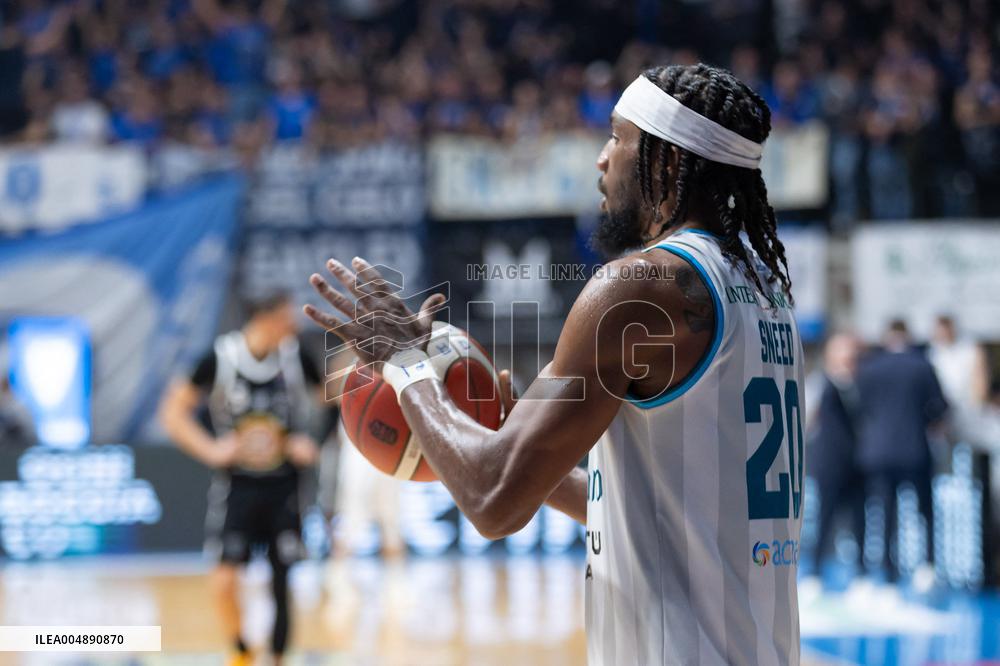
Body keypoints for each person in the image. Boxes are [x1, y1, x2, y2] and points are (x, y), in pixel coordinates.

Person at [305, 63, 805, 665]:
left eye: (617, 138)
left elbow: (492, 501)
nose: (600, 159)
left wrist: (408, 365)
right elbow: (649, 512)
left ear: (667, 164)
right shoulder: (765, 289)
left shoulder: (638, 289)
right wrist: (527, 451)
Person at [159, 292, 321, 666]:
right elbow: (172, 413)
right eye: (287, 317)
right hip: (238, 486)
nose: (294, 325)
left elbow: (333, 402)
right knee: (222, 580)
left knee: (282, 580)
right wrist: (211, 450)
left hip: (285, 486)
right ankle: (242, 649)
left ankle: (278, 657)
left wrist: (311, 441)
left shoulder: (297, 357)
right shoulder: (221, 357)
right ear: (265, 318)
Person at [854, 319, 948, 582]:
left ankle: (887, 569)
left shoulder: (869, 368)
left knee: (884, 512)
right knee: (925, 511)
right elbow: (939, 406)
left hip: (878, 451)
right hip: (915, 449)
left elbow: (859, 406)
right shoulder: (921, 366)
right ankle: (927, 566)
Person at [807, 332, 865, 576]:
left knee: (859, 520)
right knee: (825, 517)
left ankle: (861, 573)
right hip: (829, 461)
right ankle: (815, 571)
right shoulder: (818, 383)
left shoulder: (862, 384)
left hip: (857, 461)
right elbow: (807, 419)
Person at [927, 314, 990, 446]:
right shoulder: (933, 353)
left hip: (968, 411)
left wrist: (976, 406)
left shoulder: (969, 350)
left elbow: (979, 382)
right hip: (942, 411)